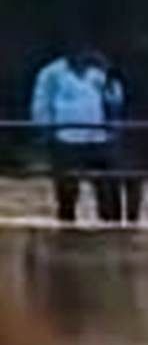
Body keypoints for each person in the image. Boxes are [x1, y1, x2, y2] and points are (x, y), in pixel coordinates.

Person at [29, 39, 126, 224]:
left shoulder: (98, 73)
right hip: (66, 139)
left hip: (97, 138)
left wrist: (109, 77)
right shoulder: (52, 73)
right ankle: (66, 228)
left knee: (107, 190)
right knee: (67, 192)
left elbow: (116, 101)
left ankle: (111, 229)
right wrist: (46, 131)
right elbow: (41, 103)